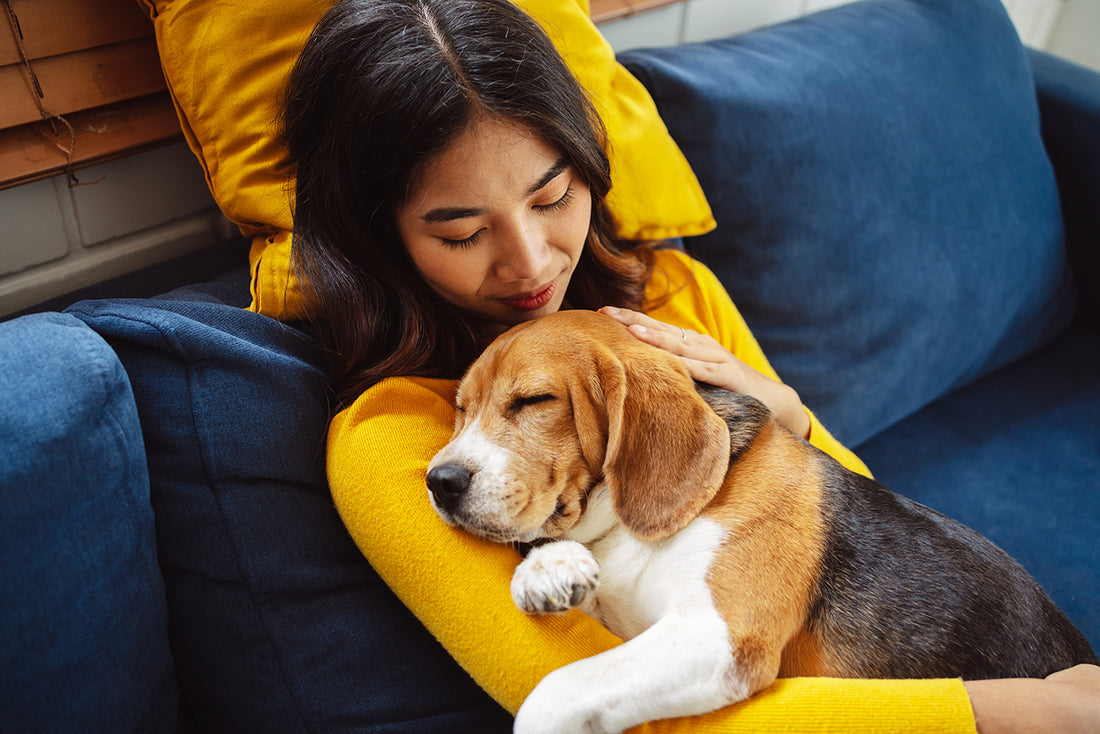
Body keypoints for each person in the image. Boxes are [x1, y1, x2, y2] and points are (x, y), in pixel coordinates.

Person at [281, 0, 1100, 731]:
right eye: (462, 232)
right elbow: (612, 705)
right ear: (379, 239)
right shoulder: (394, 438)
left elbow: (841, 520)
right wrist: (1023, 712)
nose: (531, 261)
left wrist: (785, 414)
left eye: (551, 196)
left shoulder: (673, 298)